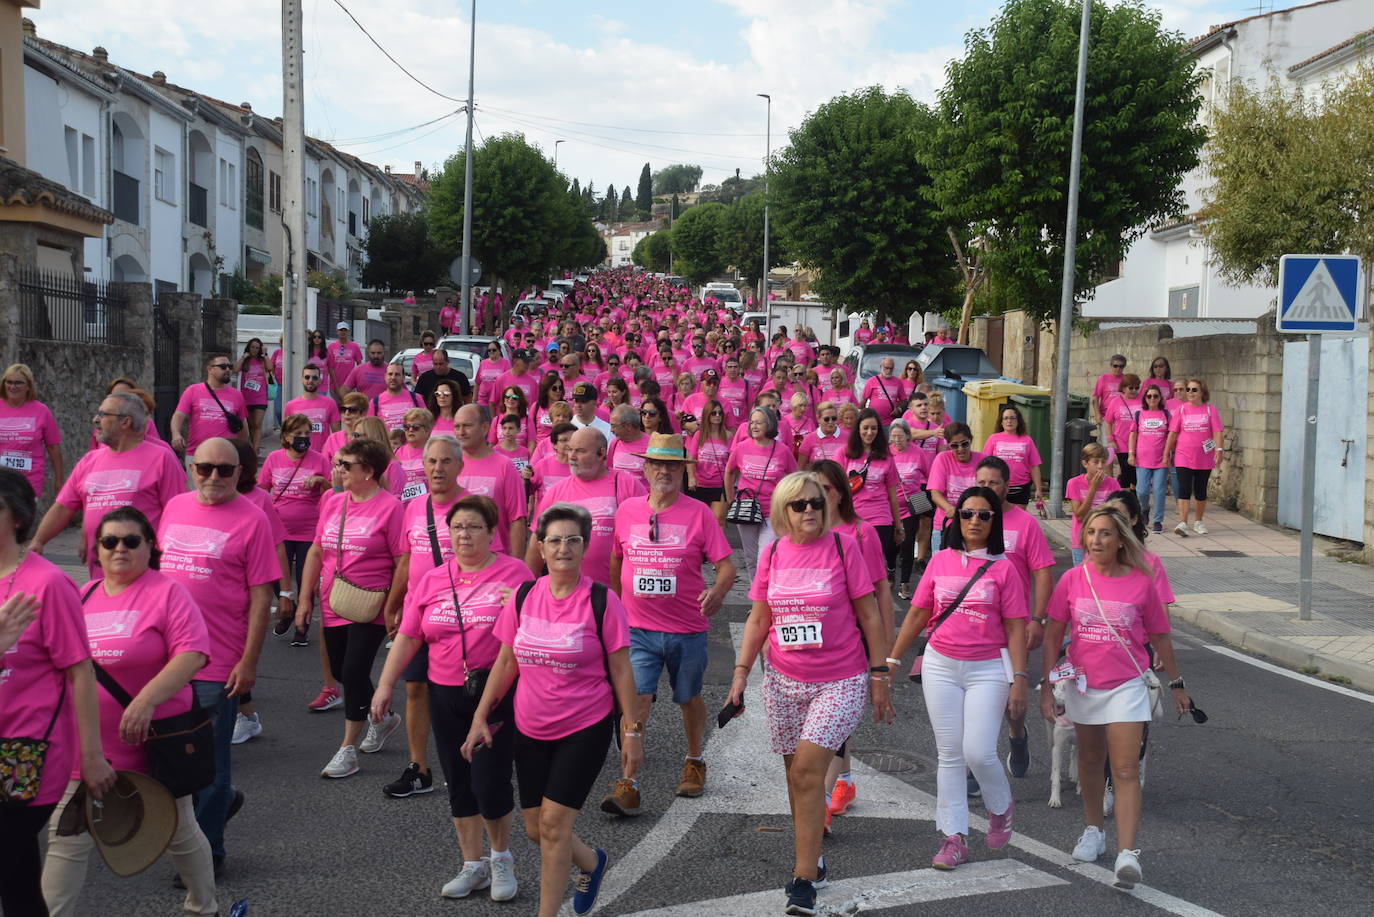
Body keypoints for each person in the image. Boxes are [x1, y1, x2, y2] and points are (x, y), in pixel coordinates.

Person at [462, 503, 642, 917]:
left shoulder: (602, 600)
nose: (564, 548)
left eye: (573, 540)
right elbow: (506, 662)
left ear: (584, 547)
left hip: (585, 725)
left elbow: (621, 671)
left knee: (554, 826)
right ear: (540, 548)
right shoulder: (525, 595)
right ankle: (592, 863)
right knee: (533, 828)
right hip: (530, 727)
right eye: (555, 540)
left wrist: (631, 732)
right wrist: (480, 717)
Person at [727, 471, 892, 915]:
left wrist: (880, 674)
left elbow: (870, 616)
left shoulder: (844, 547)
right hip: (782, 680)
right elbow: (759, 619)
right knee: (796, 779)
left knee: (805, 774)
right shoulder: (774, 552)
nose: (809, 512)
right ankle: (812, 858)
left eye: (816, 503)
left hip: (840, 679)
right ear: (783, 510)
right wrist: (741, 673)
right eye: (799, 505)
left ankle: (802, 881)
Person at [41, 507, 217, 917]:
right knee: (66, 840)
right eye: (109, 542)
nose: (119, 548)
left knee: (179, 832)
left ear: (149, 546)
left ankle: (202, 907)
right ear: (97, 551)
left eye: (131, 541)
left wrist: (145, 700)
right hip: (88, 748)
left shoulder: (167, 592)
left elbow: (192, 654)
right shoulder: (82, 596)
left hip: (154, 743)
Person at [374, 494, 529, 898]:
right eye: (457, 527)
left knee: (490, 780)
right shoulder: (432, 579)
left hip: (495, 694)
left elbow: (537, 629)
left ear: (492, 533)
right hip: (444, 692)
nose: (464, 534)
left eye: (473, 527)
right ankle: (472, 864)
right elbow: (408, 636)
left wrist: (521, 607)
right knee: (458, 781)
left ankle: (501, 860)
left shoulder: (515, 574)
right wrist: (386, 684)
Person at [1039, 505, 1191, 889]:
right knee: (1090, 763)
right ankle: (1093, 830)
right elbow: (1054, 634)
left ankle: (1127, 853)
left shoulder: (1141, 583)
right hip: (1084, 685)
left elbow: (1159, 636)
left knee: (1123, 770)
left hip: (1126, 687)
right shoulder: (1072, 579)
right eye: (1091, 532)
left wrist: (1176, 682)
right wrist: (1045, 684)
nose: (1096, 540)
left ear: (1121, 539)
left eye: (1105, 533)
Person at [888, 485, 1027, 871]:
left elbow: (1016, 628)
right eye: (967, 513)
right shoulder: (940, 560)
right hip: (941, 665)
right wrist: (893, 658)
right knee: (949, 755)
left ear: (994, 521)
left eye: (984, 514)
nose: (975, 521)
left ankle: (1000, 806)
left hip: (988, 669)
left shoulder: (1005, 569)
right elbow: (917, 613)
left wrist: (1018, 677)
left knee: (979, 752)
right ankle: (954, 838)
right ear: (956, 518)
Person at [157, 437, 279, 874]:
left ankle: (208, 854)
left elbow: (261, 596)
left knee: (209, 762)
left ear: (240, 474)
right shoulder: (174, 507)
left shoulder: (252, 519)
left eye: (224, 470)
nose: (213, 477)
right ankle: (220, 804)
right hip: (165, 661)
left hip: (218, 661)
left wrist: (249, 663)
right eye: (204, 468)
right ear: (191, 468)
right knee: (165, 756)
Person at [600, 434, 736, 816]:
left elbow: (726, 566)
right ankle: (629, 782)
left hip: (687, 629)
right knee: (636, 702)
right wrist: (618, 604)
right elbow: (615, 560)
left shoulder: (699, 514)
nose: (664, 471)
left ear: (683, 471)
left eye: (673, 465)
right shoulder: (627, 511)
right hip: (638, 630)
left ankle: (694, 759)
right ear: (645, 468)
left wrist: (717, 592)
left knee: (687, 698)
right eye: (657, 464)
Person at [0, 469, 115, 916]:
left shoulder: (47, 583)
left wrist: (90, 756)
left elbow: (80, 671)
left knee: (14, 873)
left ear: (17, 518)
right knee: (16, 874)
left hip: (28, 751)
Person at [296, 437, 407, 779]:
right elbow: (316, 550)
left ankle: (346, 749)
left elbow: (403, 559)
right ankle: (383, 716)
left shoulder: (390, 507)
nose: (338, 469)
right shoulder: (332, 501)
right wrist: (304, 599)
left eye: (346, 465)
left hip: (370, 602)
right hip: (333, 600)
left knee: (356, 671)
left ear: (369, 471)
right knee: (343, 673)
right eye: (338, 463)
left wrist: (392, 606)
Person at [382, 435, 470, 800]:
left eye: (446, 461)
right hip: (419, 612)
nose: (437, 468)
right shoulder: (414, 507)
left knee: (464, 692)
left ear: (459, 466)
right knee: (415, 687)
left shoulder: (474, 507)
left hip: (462, 616)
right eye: (431, 461)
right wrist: (393, 602)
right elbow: (407, 558)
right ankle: (420, 768)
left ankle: (471, 758)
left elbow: (492, 565)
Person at [32, 392, 185, 578]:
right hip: (99, 573)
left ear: (125, 422)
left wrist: (168, 562)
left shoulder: (161, 458)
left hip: (144, 573)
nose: (95, 419)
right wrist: (38, 542)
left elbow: (177, 514)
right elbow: (64, 507)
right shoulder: (90, 460)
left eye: (103, 414)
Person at [974, 456, 1055, 780]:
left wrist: (1037, 619)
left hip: (1013, 628)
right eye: (981, 482)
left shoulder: (1025, 523)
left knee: (1012, 704)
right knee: (974, 699)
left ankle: (1017, 735)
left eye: (992, 482)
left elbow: (1043, 573)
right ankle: (975, 767)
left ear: (1007, 486)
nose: (986, 489)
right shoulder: (969, 520)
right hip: (974, 627)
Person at [527, 428, 645, 585]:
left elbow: (645, 534)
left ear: (601, 453)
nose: (572, 456)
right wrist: (527, 586)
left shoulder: (627, 484)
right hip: (569, 593)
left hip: (616, 592)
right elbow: (537, 542)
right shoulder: (556, 491)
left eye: (580, 451)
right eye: (570, 450)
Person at [260, 413, 331, 644]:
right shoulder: (273, 459)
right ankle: (286, 610)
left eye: (307, 434)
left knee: (305, 581)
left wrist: (321, 482)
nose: (303, 438)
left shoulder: (319, 460)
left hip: (309, 531)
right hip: (279, 530)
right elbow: (261, 489)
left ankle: (302, 626)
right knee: (277, 577)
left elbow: (334, 492)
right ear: (287, 437)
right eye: (298, 434)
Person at [723, 406, 798, 580]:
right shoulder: (741, 448)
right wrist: (730, 499)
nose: (754, 426)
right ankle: (756, 599)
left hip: (772, 513)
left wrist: (789, 503)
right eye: (752, 422)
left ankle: (767, 596)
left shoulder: (782, 451)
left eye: (759, 422)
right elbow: (729, 471)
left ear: (770, 424)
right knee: (750, 558)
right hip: (746, 510)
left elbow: (794, 478)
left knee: (766, 556)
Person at [454, 404, 529, 557]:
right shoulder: (451, 464)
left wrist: (517, 566)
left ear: (484, 428)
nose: (460, 432)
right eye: (457, 426)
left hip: (495, 561)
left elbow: (517, 519)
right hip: (456, 560)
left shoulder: (505, 466)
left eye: (467, 426)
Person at [840, 407, 903, 581]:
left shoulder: (886, 457)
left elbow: (892, 497)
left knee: (872, 567)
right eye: (865, 428)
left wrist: (898, 527)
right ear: (858, 428)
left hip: (880, 518)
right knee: (850, 565)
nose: (869, 432)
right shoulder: (844, 454)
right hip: (850, 517)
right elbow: (834, 490)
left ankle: (873, 601)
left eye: (874, 428)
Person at [1165, 378, 1223, 537]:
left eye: (1194, 390)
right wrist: (1166, 453)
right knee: (1183, 488)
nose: (1189, 393)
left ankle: (1198, 521)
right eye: (1188, 390)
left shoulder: (1211, 410)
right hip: (1183, 455)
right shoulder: (1181, 410)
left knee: (1200, 489)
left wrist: (1219, 449)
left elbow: (1217, 431)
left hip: (1204, 457)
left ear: (1202, 392)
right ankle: (1183, 523)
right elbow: (1173, 433)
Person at [0, 363, 63, 500]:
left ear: (28, 386)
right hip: (2, 479)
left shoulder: (42, 411)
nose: (12, 386)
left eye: (18, 383)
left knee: (24, 520)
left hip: (29, 481)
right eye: (9, 382)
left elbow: (53, 447)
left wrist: (59, 479)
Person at [171, 354, 248, 458]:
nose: (228, 370)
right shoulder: (193, 390)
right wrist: (176, 434)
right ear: (210, 369)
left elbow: (243, 427)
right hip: (197, 453)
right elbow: (178, 415)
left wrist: (240, 452)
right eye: (223, 367)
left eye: (230, 366)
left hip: (226, 455)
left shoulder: (237, 395)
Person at [889, 419, 932, 599]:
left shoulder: (918, 453)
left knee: (907, 546)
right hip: (889, 507)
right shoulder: (885, 454)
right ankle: (891, 569)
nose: (897, 440)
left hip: (910, 504)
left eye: (901, 436)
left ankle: (904, 583)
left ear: (908, 436)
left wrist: (927, 494)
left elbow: (930, 475)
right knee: (890, 546)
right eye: (894, 436)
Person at [926, 422, 984, 554]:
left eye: (964, 444)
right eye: (954, 446)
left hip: (974, 526)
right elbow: (935, 494)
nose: (960, 449)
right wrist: (949, 508)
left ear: (971, 440)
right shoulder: (942, 459)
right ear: (948, 445)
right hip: (946, 524)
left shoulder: (982, 460)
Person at [1067, 443, 1121, 565]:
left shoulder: (1113, 484)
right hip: (1081, 540)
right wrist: (1093, 489)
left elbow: (1116, 514)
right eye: (1096, 462)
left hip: (1105, 540)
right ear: (1085, 463)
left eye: (1103, 462)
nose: (1100, 466)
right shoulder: (1074, 483)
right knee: (1082, 578)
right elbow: (1080, 515)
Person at [1128, 385, 1171, 533]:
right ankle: (1144, 509)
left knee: (1159, 491)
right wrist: (1130, 454)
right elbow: (1133, 435)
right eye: (1149, 396)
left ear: (1160, 398)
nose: (1152, 399)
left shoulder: (1165, 414)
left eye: (1155, 396)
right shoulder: (1139, 414)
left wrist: (1168, 455)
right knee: (1141, 491)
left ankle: (1158, 520)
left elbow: (1171, 436)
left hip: (1161, 460)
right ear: (1145, 398)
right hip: (1142, 459)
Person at [981, 406, 1043, 506]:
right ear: (1001, 422)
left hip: (1021, 488)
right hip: (998, 486)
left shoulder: (1027, 440)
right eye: (1006, 418)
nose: (1009, 421)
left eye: (1012, 418)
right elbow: (985, 464)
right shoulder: (993, 438)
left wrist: (1038, 489)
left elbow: (1034, 466)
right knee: (999, 518)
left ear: (1018, 421)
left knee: (1017, 519)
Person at [686, 399, 731, 525]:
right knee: (700, 521)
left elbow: (732, 463)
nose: (717, 416)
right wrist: (691, 477)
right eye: (713, 413)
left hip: (720, 485)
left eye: (720, 413)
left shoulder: (728, 436)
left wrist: (730, 484)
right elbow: (691, 458)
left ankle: (718, 544)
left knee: (719, 519)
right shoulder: (699, 435)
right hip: (701, 484)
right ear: (707, 415)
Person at [283, 363, 341, 453]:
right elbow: (286, 435)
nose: (310, 380)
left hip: (323, 455)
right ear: (302, 379)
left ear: (319, 381)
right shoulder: (290, 406)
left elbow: (337, 434)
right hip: (298, 454)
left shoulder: (330, 403)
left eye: (314, 378)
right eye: (307, 377)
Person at [235, 337, 275, 453]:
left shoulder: (262, 360)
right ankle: (254, 448)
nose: (255, 349)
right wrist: (243, 357)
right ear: (248, 347)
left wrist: (265, 353)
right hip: (246, 398)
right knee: (251, 425)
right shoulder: (245, 361)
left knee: (257, 424)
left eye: (257, 348)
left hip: (260, 398)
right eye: (252, 347)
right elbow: (236, 369)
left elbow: (270, 368)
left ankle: (255, 449)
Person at [1104, 374, 1142, 489]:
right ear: (1124, 388)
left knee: (1136, 472)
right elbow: (1108, 422)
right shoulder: (1116, 401)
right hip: (1121, 442)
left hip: (1140, 442)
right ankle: (1125, 497)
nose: (1134, 390)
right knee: (1126, 470)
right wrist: (1110, 440)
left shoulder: (1142, 400)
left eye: (1137, 388)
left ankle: (1134, 495)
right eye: (1131, 388)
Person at [393, 409, 435, 501]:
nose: (410, 430)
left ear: (427, 430)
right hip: (402, 507)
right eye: (407, 427)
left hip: (426, 506)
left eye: (415, 427)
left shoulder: (435, 451)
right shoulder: (396, 452)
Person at [369, 362, 424, 432]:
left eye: (397, 374)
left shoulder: (416, 398)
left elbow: (426, 425)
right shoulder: (374, 402)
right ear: (385, 377)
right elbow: (370, 430)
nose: (393, 377)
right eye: (390, 374)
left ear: (403, 377)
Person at [860, 357, 906, 426]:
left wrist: (899, 409)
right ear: (881, 367)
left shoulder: (898, 382)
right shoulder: (871, 381)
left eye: (891, 368)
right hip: (874, 422)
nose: (889, 370)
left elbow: (904, 401)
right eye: (886, 368)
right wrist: (865, 418)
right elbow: (862, 403)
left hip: (890, 422)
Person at [327, 322, 364, 393]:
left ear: (348, 332)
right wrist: (335, 385)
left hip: (350, 384)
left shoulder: (355, 346)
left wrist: (358, 379)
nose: (343, 332)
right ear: (337, 331)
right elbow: (329, 367)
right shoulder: (331, 347)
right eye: (341, 330)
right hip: (335, 384)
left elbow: (359, 364)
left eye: (345, 330)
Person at [1092, 354, 1127, 426]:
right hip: (1105, 416)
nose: (1118, 368)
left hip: (1122, 417)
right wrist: (1097, 414)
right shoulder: (1103, 378)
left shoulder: (1126, 379)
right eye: (1115, 366)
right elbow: (1095, 398)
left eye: (1121, 366)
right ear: (1111, 365)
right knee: (1106, 437)